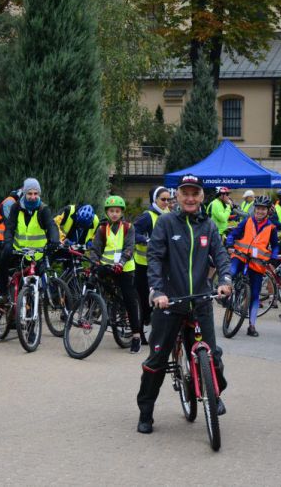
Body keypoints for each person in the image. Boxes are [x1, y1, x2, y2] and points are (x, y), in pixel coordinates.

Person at [136, 174, 232, 434]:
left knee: (212, 354)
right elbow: (154, 257)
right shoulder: (166, 223)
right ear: (177, 196)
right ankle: (146, 412)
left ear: (202, 196)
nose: (190, 198)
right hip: (169, 302)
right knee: (156, 361)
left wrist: (225, 280)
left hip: (200, 301)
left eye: (195, 193)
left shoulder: (209, 226)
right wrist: (156, 291)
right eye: (185, 193)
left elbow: (221, 256)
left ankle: (213, 393)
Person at [0, 178, 59, 308]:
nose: (33, 197)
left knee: (34, 283)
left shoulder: (43, 210)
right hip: (18, 251)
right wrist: (8, 243)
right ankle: (2, 293)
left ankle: (27, 313)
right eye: (30, 193)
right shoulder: (16, 207)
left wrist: (54, 240)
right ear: (25, 194)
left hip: (37, 254)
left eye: (36, 194)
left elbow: (52, 226)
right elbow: (10, 228)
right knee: (4, 261)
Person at [91, 195, 142, 353]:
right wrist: (94, 263)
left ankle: (136, 336)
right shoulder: (101, 229)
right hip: (107, 267)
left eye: (117, 211)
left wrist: (121, 262)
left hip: (124, 268)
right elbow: (96, 248)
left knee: (129, 300)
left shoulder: (128, 227)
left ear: (121, 212)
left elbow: (129, 247)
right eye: (111, 211)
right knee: (93, 283)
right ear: (107, 212)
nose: (114, 214)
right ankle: (99, 311)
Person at [226, 195, 279, 337]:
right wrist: (230, 244)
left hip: (257, 263)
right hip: (241, 256)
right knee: (231, 272)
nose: (260, 211)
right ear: (254, 209)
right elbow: (234, 233)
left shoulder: (271, 228)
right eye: (258, 208)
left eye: (263, 209)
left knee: (255, 294)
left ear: (268, 211)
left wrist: (273, 259)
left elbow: (275, 247)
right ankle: (226, 293)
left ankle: (252, 325)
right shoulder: (247, 221)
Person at [134, 187, 171, 341]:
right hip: (143, 265)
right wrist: (146, 240)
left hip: (161, 265)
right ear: (155, 200)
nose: (166, 202)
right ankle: (140, 332)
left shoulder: (168, 215)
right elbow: (133, 233)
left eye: (169, 199)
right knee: (144, 301)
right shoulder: (147, 216)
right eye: (163, 199)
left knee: (161, 298)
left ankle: (159, 330)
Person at [0, 189, 21, 258]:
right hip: (2, 239)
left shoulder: (11, 201)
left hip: (3, 238)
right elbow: (10, 221)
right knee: (7, 265)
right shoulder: (9, 202)